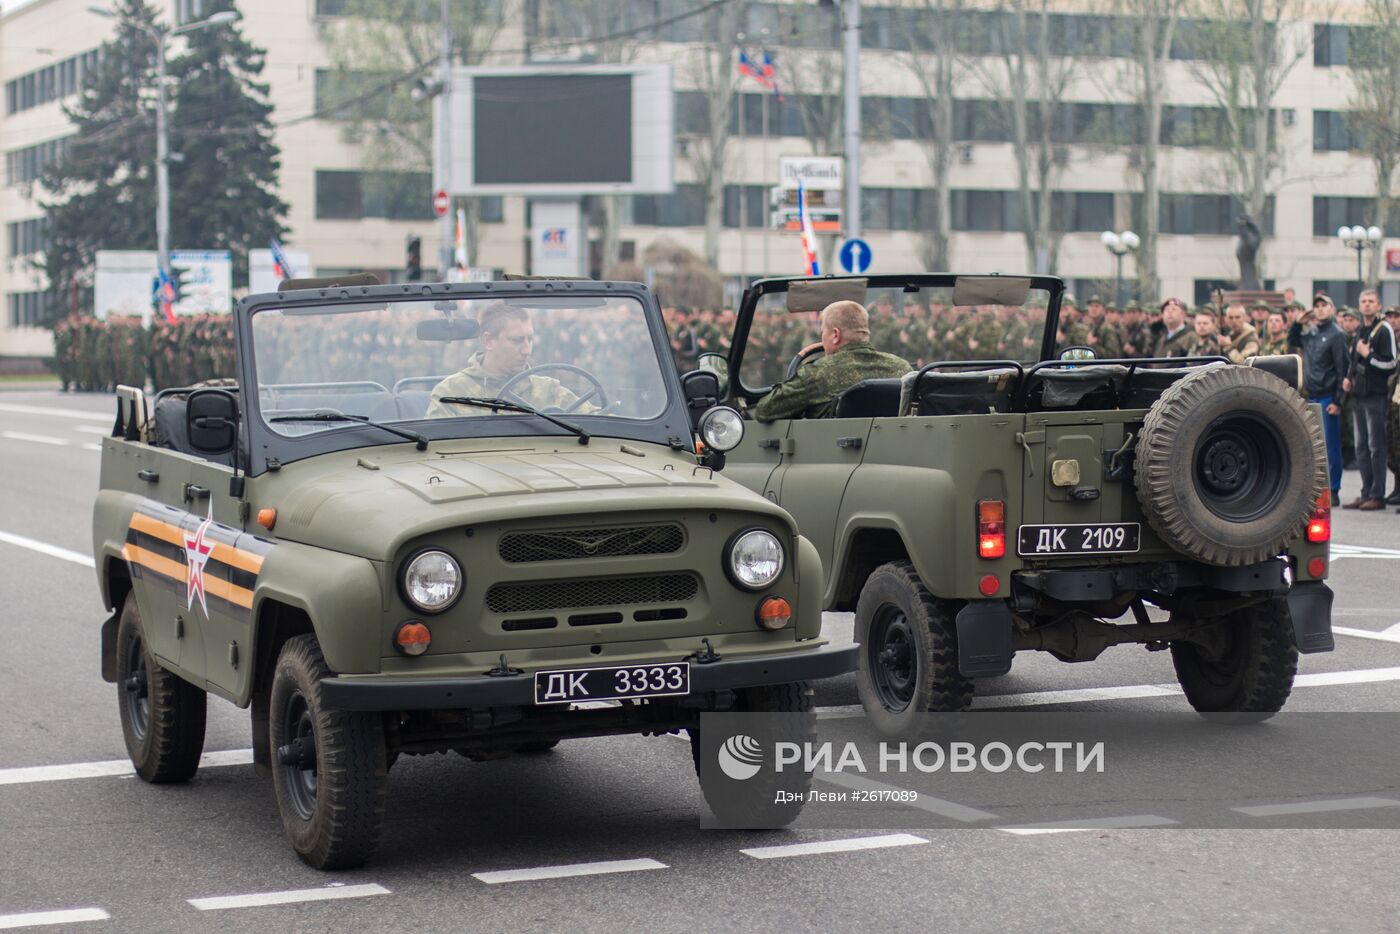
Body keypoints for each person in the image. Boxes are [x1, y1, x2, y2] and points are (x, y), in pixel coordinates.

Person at [754, 300, 912, 423]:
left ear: (835, 335)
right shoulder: (902, 368)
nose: (822, 338)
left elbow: (764, 410)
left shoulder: (817, 373)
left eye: (823, 332)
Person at [427, 303, 585, 417]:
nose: (527, 350)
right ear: (488, 341)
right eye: (517, 340)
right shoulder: (451, 393)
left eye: (530, 339)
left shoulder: (548, 390)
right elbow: (436, 451)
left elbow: (598, 418)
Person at [1288, 293, 1350, 505]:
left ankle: (1333, 490)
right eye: (1317, 306)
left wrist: (1339, 401)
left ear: (1331, 310)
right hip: (1311, 394)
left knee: (1330, 447)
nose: (1321, 309)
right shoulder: (1312, 333)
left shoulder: (1337, 334)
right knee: (1313, 446)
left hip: (1328, 396)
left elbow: (1343, 368)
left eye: (1325, 305)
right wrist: (1298, 323)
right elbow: (1293, 340)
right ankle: (1317, 488)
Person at [1341, 289, 1396, 510]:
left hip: (1376, 396)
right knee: (1361, 447)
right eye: (1363, 301)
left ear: (1379, 305)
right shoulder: (1361, 330)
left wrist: (1369, 355)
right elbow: (1354, 362)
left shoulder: (1384, 330)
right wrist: (1348, 378)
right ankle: (1365, 492)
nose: (1366, 305)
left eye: (1371, 301)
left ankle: (1377, 495)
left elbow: (1390, 364)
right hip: (1360, 396)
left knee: (1376, 447)